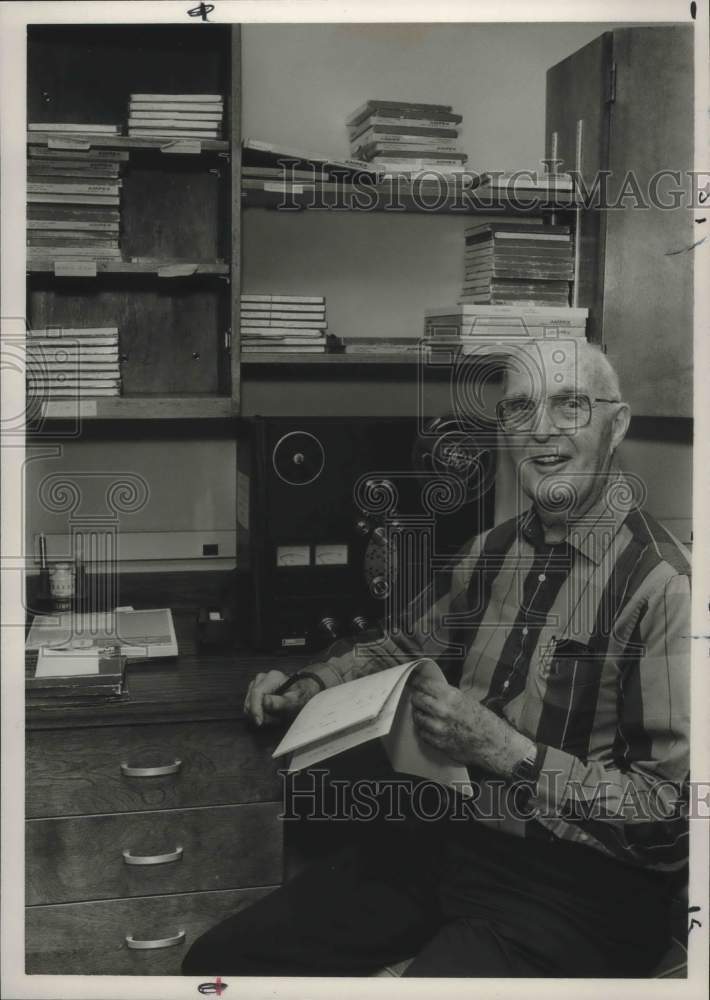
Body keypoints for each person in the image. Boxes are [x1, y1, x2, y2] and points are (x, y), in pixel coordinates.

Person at [182, 340, 690, 978]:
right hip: (459, 845)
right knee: (222, 966)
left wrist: (506, 751)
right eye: (519, 409)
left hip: (586, 891)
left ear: (616, 425)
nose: (541, 431)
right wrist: (309, 683)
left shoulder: (664, 587)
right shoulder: (492, 552)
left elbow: (669, 821)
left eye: (570, 406)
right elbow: (404, 646)